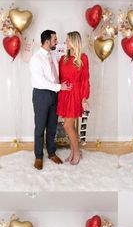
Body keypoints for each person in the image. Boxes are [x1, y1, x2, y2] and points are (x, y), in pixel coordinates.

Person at [30, 30, 72, 170]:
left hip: (55, 94)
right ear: (47, 41)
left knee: (52, 126)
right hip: (41, 95)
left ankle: (51, 152)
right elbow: (41, 82)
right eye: (55, 40)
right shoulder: (36, 58)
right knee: (40, 127)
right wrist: (60, 87)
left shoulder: (53, 55)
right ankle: (38, 156)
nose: (57, 42)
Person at [57, 31, 90, 165]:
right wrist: (60, 86)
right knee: (69, 126)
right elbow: (58, 77)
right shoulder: (63, 59)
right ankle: (72, 151)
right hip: (64, 94)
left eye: (68, 40)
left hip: (75, 94)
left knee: (67, 126)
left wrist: (84, 98)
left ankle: (77, 152)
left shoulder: (83, 58)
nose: (66, 42)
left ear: (74, 42)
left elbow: (85, 80)